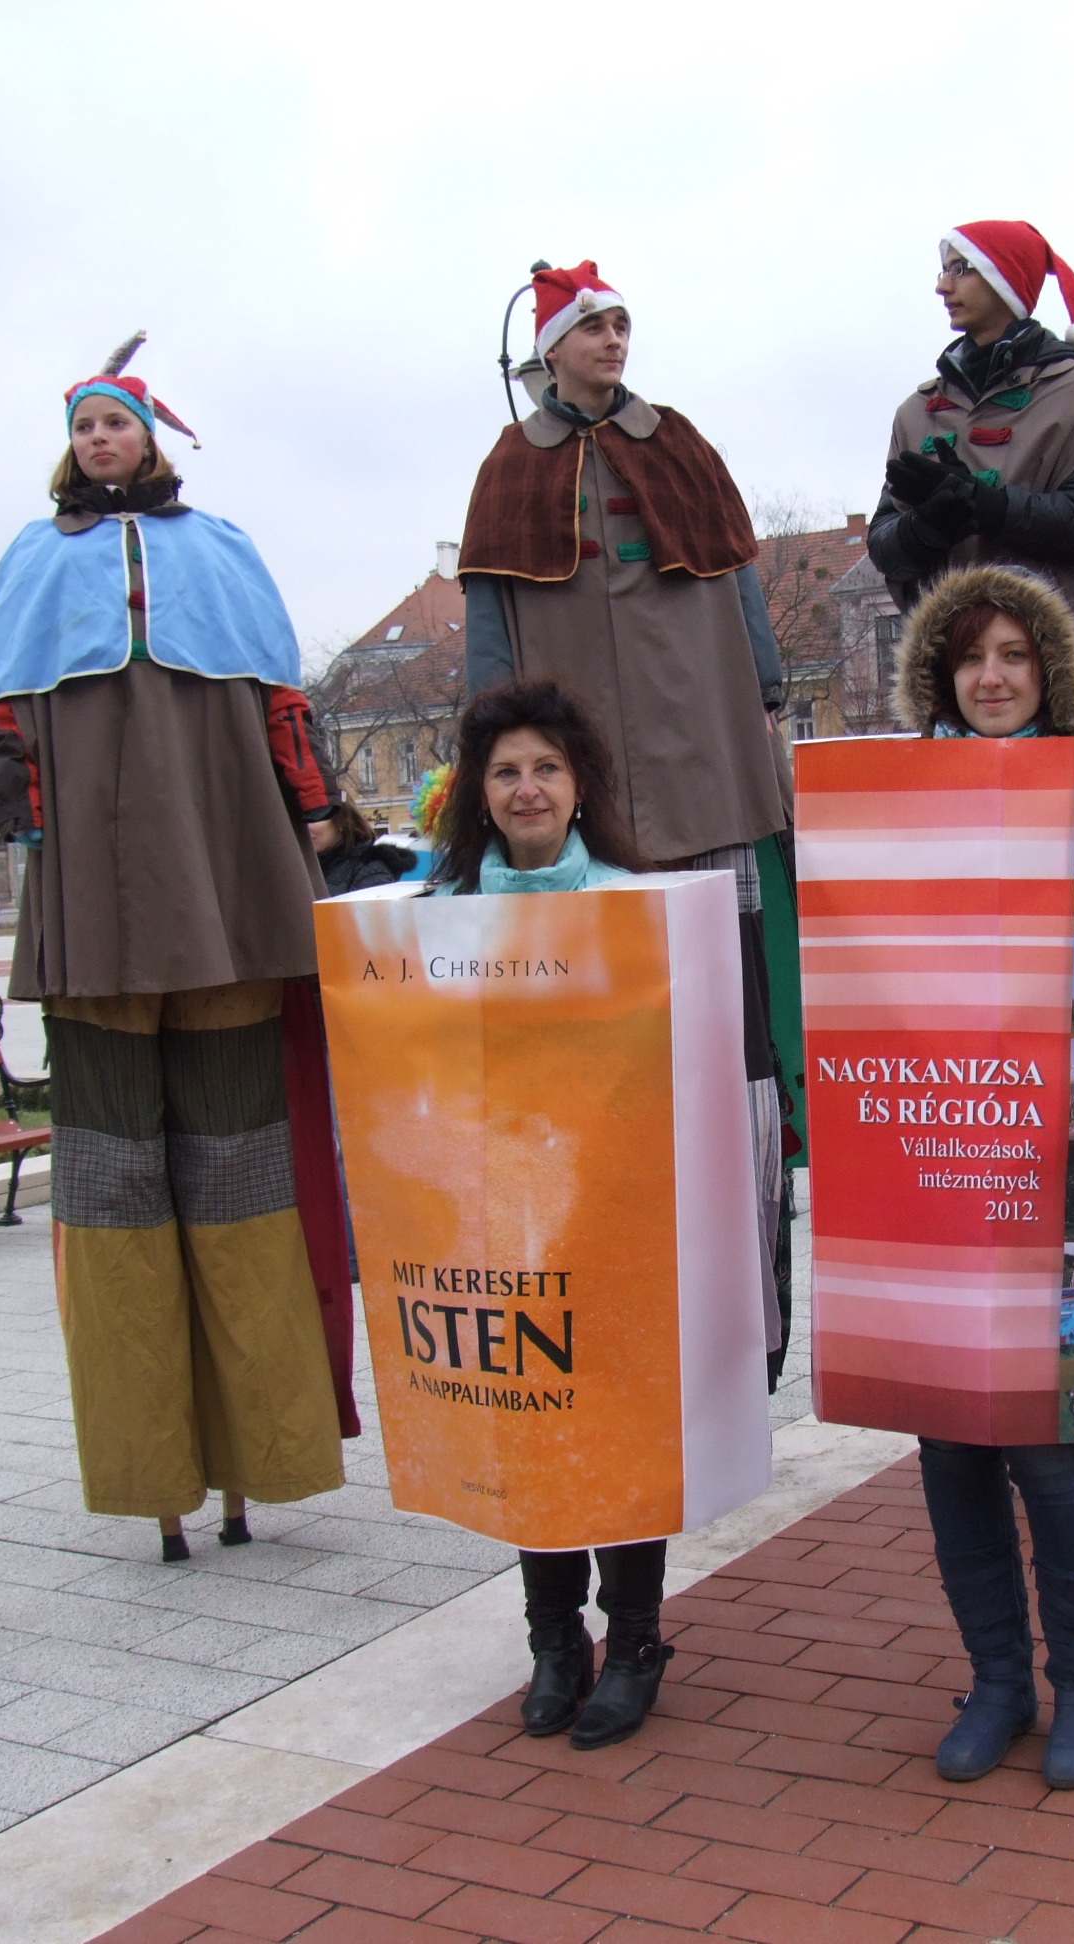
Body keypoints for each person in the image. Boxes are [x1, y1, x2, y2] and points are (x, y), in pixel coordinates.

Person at [0, 335, 354, 1564]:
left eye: (117, 424)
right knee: (112, 1197)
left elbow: (281, 703)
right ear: (71, 447)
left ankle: (264, 1456)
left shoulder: (221, 548)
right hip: (97, 901)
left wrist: (314, 808)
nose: (101, 441)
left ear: (150, 437)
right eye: (84, 427)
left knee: (244, 1183)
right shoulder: (34, 558)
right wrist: (17, 805)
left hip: (226, 887)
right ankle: (149, 1469)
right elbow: (7, 720)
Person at [459, 262, 795, 1389]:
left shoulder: (680, 442)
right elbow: (490, 627)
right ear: (550, 347)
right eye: (593, 325)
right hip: (584, 814)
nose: (613, 339)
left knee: (736, 1051)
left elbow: (740, 580)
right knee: (606, 1062)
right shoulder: (510, 468)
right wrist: (494, 739)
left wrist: (765, 690)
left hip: (708, 780)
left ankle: (748, 1320)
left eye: (621, 323)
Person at [890, 561, 1074, 1791]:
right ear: (941, 676)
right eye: (969, 657)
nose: (991, 677)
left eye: (1014, 656)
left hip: (1055, 1149)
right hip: (934, 1149)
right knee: (950, 1442)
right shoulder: (892, 803)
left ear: (1048, 671)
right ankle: (996, 1679)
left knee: (1049, 1436)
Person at [425, 679, 669, 1752]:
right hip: (493, 1212)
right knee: (527, 1426)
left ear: (579, 787)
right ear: (478, 793)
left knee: (616, 1426)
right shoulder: (434, 917)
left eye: (547, 768)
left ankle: (638, 1641)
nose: (527, 788)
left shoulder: (632, 904)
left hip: (609, 1211)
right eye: (506, 771)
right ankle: (555, 1642)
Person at [870, 221, 1074, 735]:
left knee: (1068, 789)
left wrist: (989, 506)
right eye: (943, 270)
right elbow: (884, 545)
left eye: (962, 269)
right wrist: (927, 528)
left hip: (1061, 672)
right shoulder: (916, 412)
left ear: (1006, 281)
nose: (942, 286)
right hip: (959, 680)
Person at [310, 801, 414, 898]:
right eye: (303, 820)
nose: (306, 827)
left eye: (315, 818)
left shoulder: (370, 868)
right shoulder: (307, 868)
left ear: (341, 822)